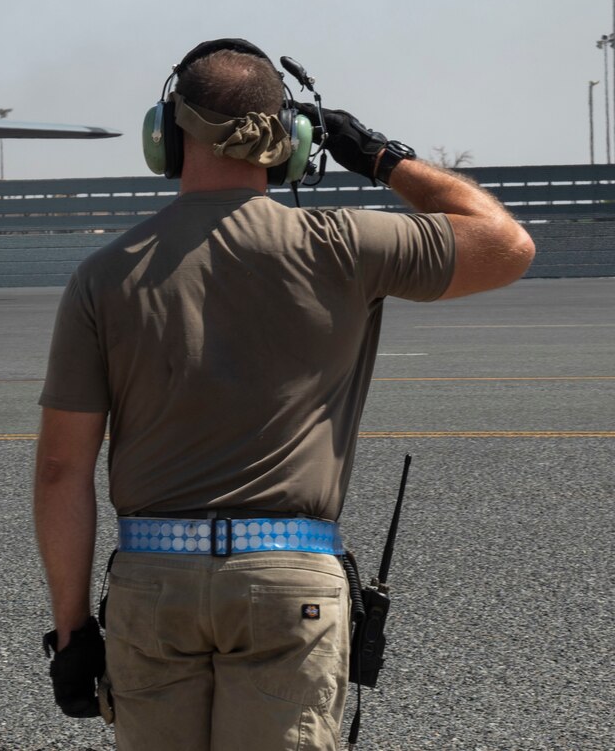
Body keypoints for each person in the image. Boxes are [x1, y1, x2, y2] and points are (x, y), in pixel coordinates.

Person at [32, 39, 534, 750]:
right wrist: (381, 157)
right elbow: (508, 244)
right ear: (291, 145)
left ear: (167, 135)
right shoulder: (346, 244)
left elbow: (61, 469)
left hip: (153, 581)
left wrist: (73, 629)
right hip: (288, 581)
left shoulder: (102, 275)